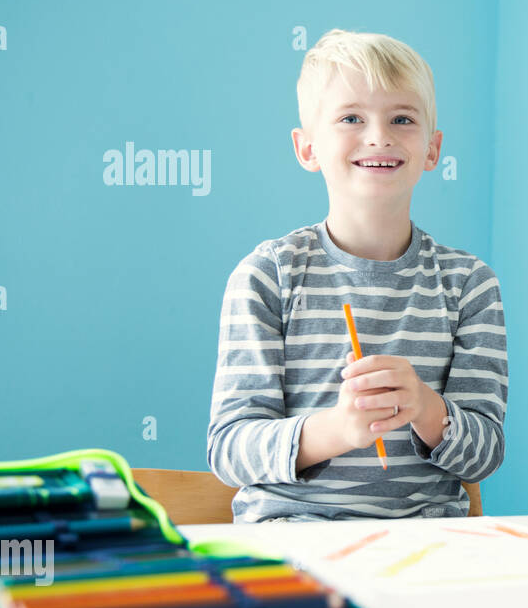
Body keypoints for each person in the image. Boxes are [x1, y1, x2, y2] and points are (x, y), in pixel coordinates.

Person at [207, 30, 507, 521]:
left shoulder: (469, 285)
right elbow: (230, 449)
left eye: (402, 119)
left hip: (428, 544)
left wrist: (426, 409)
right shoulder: (269, 275)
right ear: (307, 149)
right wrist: (339, 430)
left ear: (432, 150)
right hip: (292, 540)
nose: (379, 136)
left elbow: (485, 454)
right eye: (351, 118)